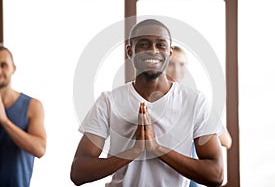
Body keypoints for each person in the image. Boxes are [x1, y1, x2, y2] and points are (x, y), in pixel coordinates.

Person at [70, 19, 224, 186]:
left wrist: (156, 148)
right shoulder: (109, 102)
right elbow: (78, 173)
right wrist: (134, 151)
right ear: (130, 51)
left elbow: (216, 175)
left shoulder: (195, 102)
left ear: (170, 52)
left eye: (161, 45)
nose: (153, 50)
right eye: (144, 44)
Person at [167, 45, 232, 187]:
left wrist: (198, 126)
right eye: (171, 63)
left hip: (192, 178)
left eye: (182, 64)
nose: (176, 69)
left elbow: (227, 140)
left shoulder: (194, 101)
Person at [0, 45, 47, 187]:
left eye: (3, 65)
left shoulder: (33, 106)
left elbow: (40, 149)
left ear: (13, 68)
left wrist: (5, 121)